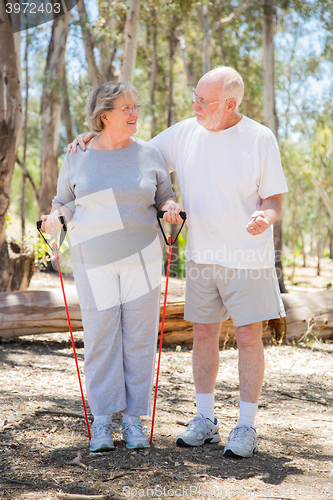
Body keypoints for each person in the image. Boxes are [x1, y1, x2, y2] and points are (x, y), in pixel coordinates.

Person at [69, 66, 288, 459]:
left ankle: (246, 425)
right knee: (203, 336)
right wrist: (91, 137)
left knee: (248, 338)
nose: (195, 105)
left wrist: (266, 218)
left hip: (247, 258)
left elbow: (274, 200)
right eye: (195, 96)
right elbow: (130, 152)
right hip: (201, 257)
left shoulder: (259, 137)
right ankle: (205, 420)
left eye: (204, 101)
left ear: (230, 104)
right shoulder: (185, 131)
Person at [41, 81, 182, 452]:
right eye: (126, 108)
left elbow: (165, 196)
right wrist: (55, 216)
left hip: (143, 258)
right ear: (104, 115)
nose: (135, 113)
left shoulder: (149, 154)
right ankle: (103, 420)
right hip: (94, 260)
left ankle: (134, 420)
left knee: (138, 339)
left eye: (136, 106)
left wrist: (169, 209)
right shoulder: (78, 155)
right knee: (102, 338)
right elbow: (64, 201)